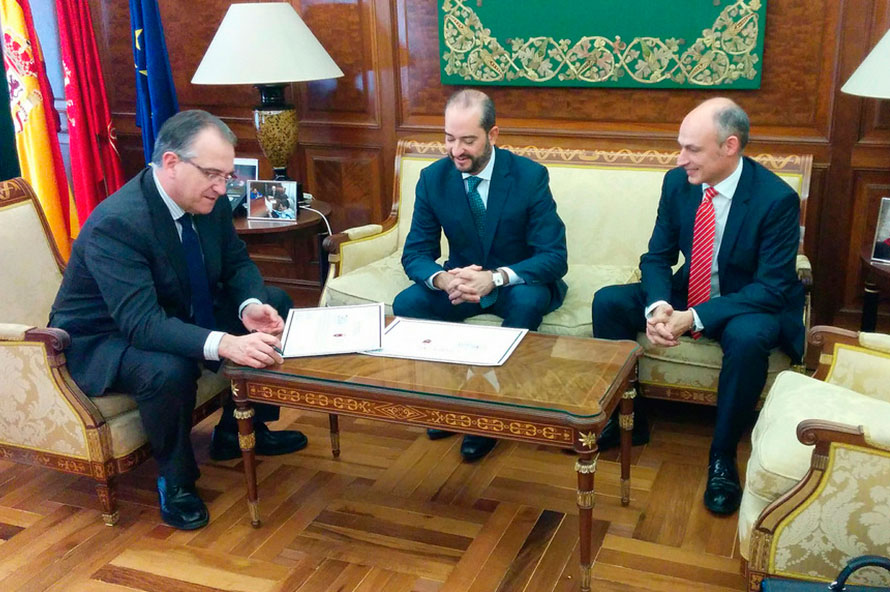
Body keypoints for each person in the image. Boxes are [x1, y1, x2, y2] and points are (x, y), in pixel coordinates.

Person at [49, 110, 308, 530]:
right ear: (171, 163)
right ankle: (177, 479)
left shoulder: (211, 201)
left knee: (274, 301)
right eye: (213, 174)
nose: (222, 188)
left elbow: (237, 263)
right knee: (168, 368)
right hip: (107, 338)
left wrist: (248, 307)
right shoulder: (118, 223)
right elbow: (141, 325)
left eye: (227, 176)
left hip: (173, 309)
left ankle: (239, 431)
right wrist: (225, 342)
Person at [592, 98, 805, 515]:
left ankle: (723, 457)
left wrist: (695, 317)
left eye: (692, 149)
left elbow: (773, 288)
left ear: (730, 146)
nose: (680, 159)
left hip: (747, 301)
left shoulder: (776, 198)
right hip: (689, 288)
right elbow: (657, 256)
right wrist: (657, 307)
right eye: (680, 146)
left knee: (747, 339)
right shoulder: (677, 183)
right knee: (609, 302)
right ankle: (630, 418)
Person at [393, 89, 568, 461]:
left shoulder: (529, 176)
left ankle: (489, 413)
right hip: (460, 283)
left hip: (515, 282)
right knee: (407, 302)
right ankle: (449, 400)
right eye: (450, 139)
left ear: (493, 135)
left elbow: (554, 257)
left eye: (468, 140)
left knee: (527, 300)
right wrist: (444, 279)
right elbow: (416, 254)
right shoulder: (433, 179)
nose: (457, 150)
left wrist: (497, 277)